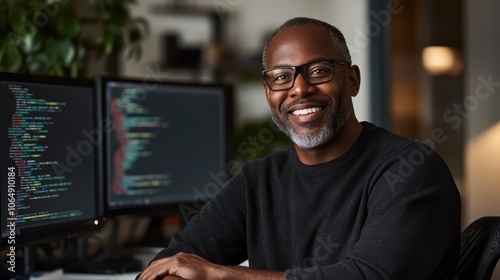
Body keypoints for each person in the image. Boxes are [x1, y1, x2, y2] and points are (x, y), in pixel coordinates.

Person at [138, 17, 461, 280]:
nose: (300, 89)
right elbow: (173, 262)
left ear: (351, 80)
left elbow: (371, 276)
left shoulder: (412, 170)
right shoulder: (258, 180)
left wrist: (221, 275)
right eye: (281, 77)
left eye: (319, 71)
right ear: (269, 94)